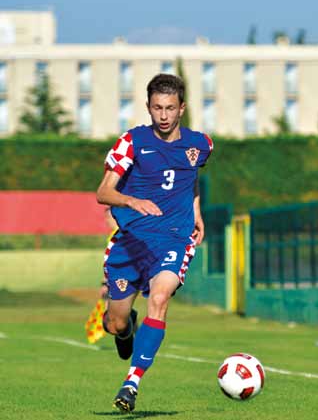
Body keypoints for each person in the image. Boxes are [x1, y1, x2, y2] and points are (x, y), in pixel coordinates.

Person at [96, 73, 213, 412]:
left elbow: (189, 180)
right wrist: (131, 202)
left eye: (170, 108)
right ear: (148, 107)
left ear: (182, 109)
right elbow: (103, 192)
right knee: (114, 322)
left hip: (174, 239)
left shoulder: (201, 144)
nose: (163, 115)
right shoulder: (131, 142)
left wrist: (196, 212)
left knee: (160, 297)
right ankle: (125, 329)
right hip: (131, 243)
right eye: (157, 108)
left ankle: (131, 383)